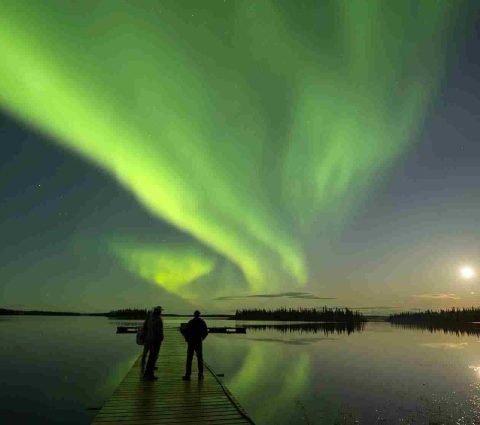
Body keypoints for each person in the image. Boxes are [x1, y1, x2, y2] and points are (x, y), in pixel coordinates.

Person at [182, 310, 208, 381]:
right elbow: (206, 332)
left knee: (189, 359)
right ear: (199, 315)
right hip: (198, 342)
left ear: (194, 315)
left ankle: (188, 375)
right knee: (199, 358)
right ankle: (200, 375)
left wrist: (187, 339)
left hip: (191, 342)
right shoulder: (202, 322)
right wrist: (202, 338)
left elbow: (186, 332)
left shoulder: (191, 322)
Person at [143, 306, 164, 380]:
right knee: (153, 357)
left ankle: (147, 373)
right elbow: (159, 331)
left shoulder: (150, 319)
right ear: (159, 312)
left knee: (150, 357)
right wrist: (161, 338)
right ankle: (149, 375)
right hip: (155, 341)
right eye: (161, 311)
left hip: (149, 339)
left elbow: (145, 327)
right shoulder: (158, 319)